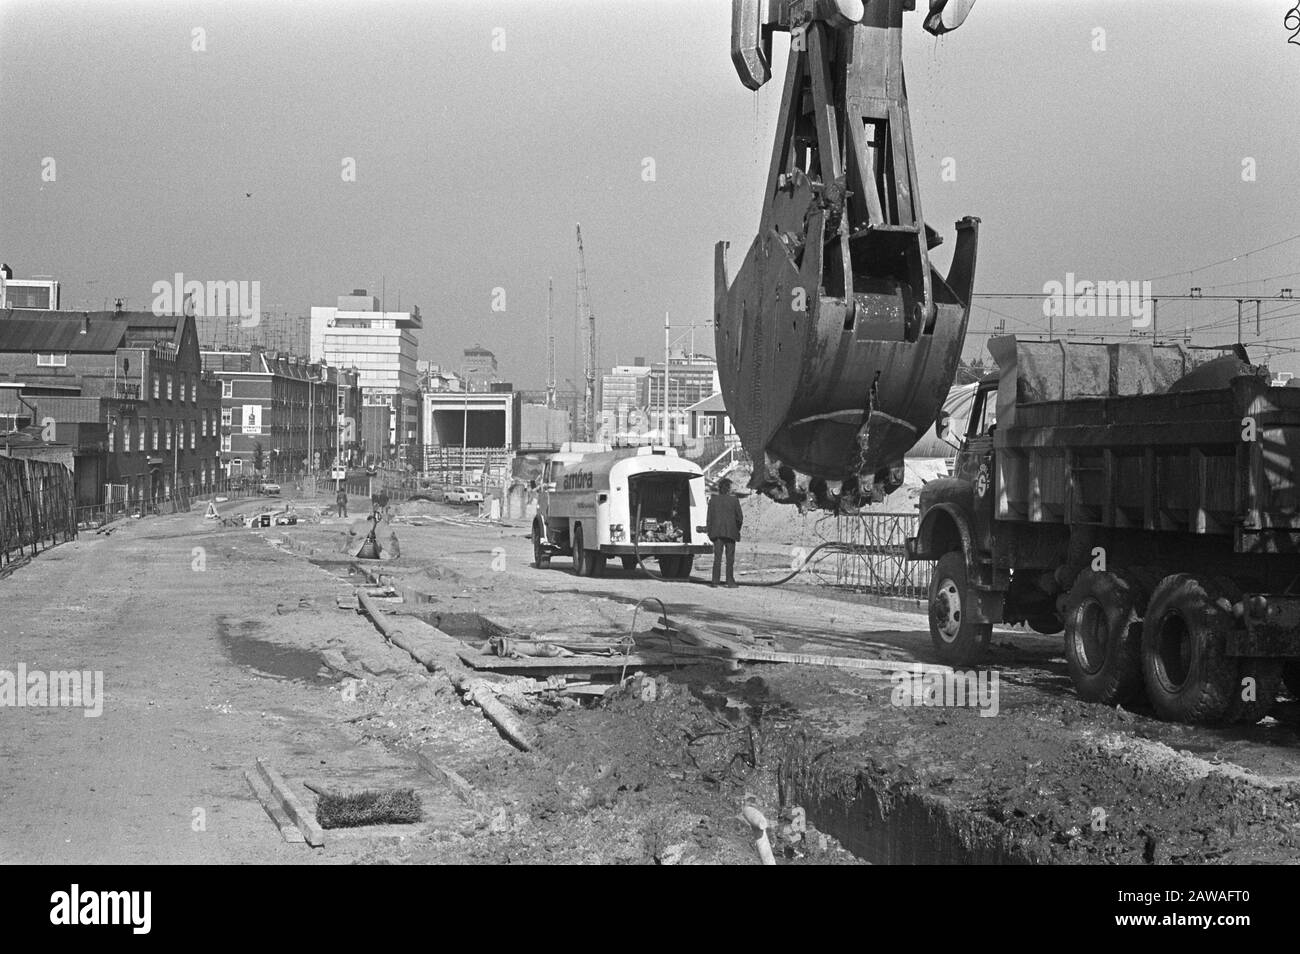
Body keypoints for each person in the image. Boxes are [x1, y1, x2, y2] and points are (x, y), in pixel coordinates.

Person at [706, 477, 744, 588]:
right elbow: (740, 518)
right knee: (730, 559)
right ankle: (730, 582)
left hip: (717, 533)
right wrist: (736, 529)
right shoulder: (734, 500)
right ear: (728, 488)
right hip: (731, 533)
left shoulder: (713, 500)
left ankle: (715, 581)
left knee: (717, 558)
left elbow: (709, 519)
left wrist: (710, 532)